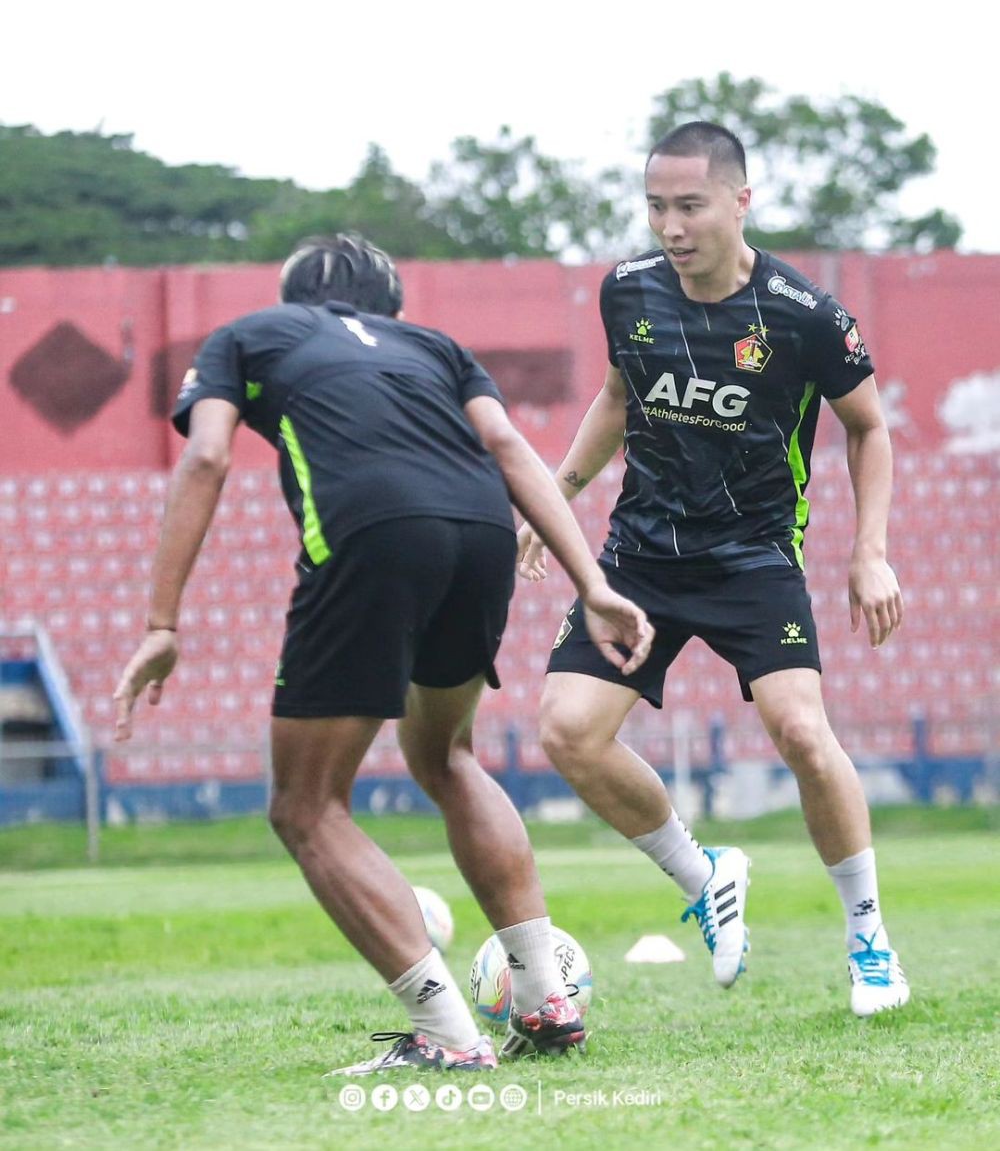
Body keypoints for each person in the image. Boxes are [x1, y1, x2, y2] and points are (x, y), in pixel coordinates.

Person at [113, 233, 654, 1074]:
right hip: (481, 532)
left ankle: (448, 1034)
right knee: (447, 754)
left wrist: (161, 621)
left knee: (305, 806)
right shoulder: (433, 345)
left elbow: (208, 454)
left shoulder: (249, 336)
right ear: (390, 308)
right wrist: (591, 583)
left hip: (371, 532)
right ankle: (546, 1001)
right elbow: (510, 450)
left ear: (297, 300)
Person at [518, 122, 909, 1016]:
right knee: (567, 731)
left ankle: (869, 939)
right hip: (641, 558)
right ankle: (705, 878)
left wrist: (869, 552)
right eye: (656, 206)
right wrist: (560, 490)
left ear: (740, 200)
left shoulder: (808, 316)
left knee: (802, 732)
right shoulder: (626, 293)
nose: (670, 225)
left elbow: (869, 428)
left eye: (689, 205)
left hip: (754, 559)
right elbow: (618, 397)